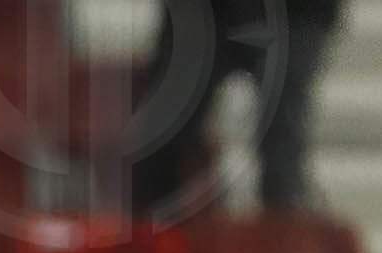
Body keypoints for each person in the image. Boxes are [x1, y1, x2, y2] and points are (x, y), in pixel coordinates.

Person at [130, 0, 345, 222]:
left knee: (282, 150)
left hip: (294, 13)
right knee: (163, 138)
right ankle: (151, 232)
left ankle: (285, 231)